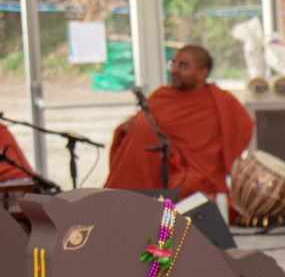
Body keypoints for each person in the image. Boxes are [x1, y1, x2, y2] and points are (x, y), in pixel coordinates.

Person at [104, 45, 254, 201]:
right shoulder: (161, 96)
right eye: (173, 63)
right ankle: (125, 208)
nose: (174, 70)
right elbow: (141, 131)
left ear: (202, 73)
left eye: (183, 65)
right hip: (158, 167)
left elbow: (243, 129)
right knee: (141, 133)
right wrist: (128, 128)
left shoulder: (222, 101)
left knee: (187, 186)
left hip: (198, 172)